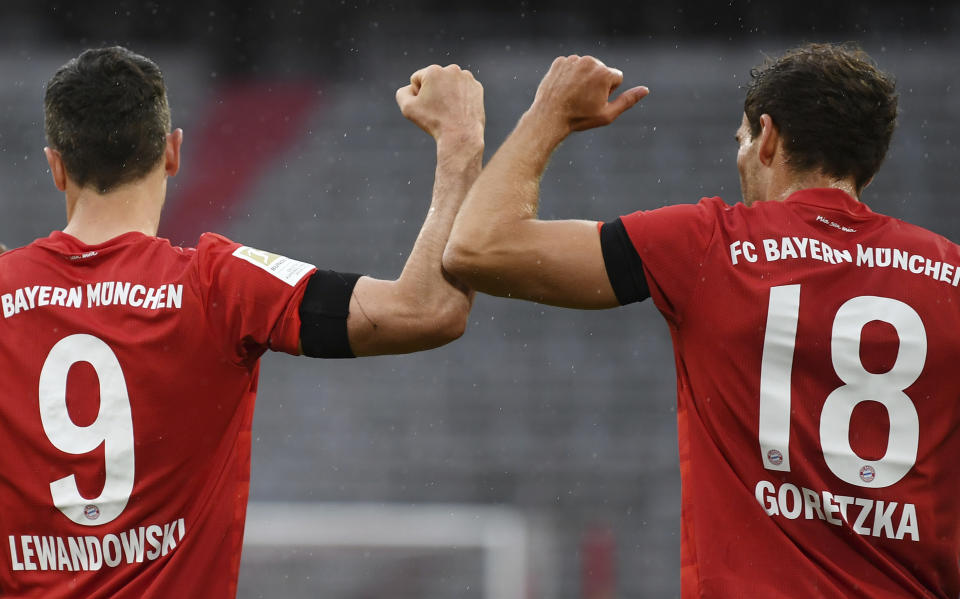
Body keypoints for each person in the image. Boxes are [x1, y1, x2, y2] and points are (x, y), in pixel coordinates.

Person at [443, 43, 959, 598]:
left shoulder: (712, 244)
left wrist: (548, 114)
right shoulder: (949, 273)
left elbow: (477, 249)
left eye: (741, 140)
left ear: (768, 137)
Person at [0, 46, 483, 598]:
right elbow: (428, 311)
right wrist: (461, 143)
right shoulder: (216, 283)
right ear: (172, 152)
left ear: (55, 166)